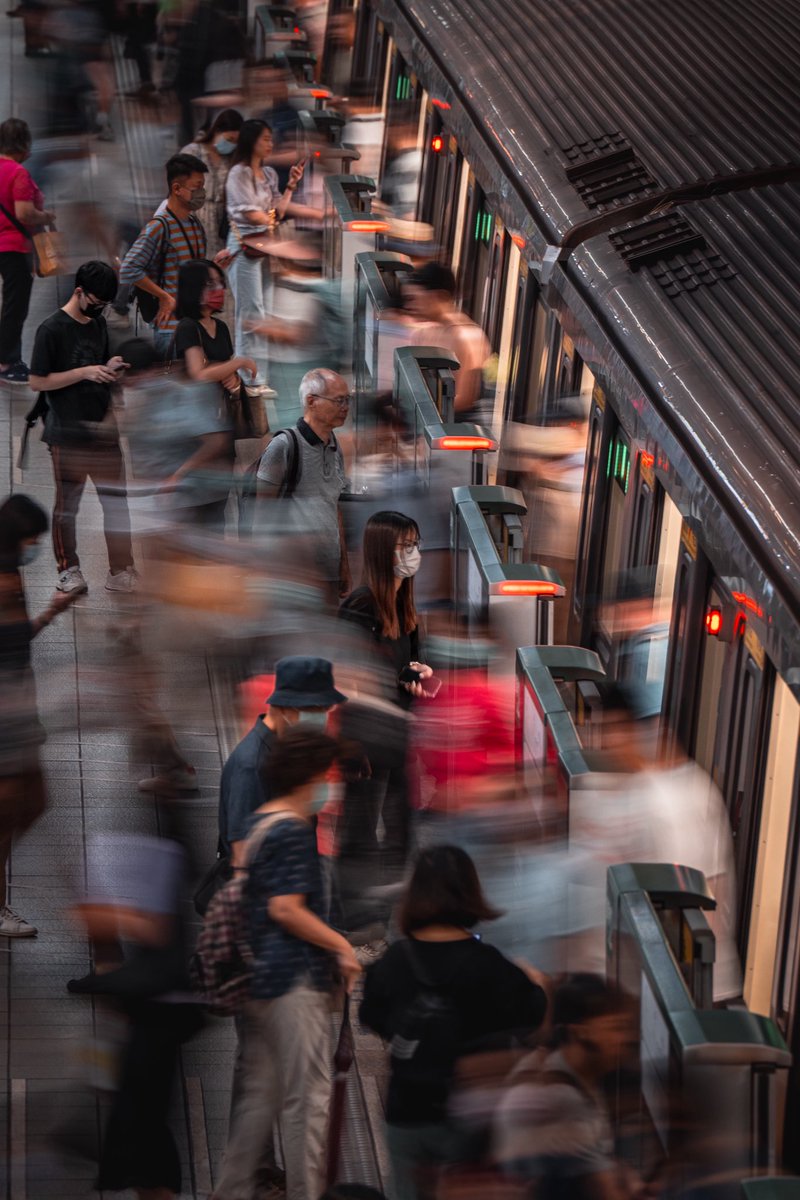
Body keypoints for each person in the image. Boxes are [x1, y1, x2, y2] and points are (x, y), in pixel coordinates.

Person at [211, 728, 362, 1200]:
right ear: (309, 777)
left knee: (260, 1097)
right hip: (293, 982)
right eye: (329, 775)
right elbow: (286, 908)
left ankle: (231, 1189)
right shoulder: (295, 830)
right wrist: (341, 946)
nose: (332, 786)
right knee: (308, 1100)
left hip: (259, 982)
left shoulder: (259, 823)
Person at [360, 845, 547, 1200]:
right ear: (471, 892)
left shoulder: (395, 960)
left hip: (406, 1108)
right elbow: (532, 1015)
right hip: (468, 1113)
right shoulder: (491, 965)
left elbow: (372, 1016)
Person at [29, 260, 137, 596]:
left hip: (103, 429)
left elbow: (99, 363)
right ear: (79, 292)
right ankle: (68, 569)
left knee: (116, 504)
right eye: (97, 302)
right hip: (67, 432)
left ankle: (120, 570)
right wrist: (85, 372)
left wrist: (109, 367)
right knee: (68, 506)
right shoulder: (51, 329)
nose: (101, 309)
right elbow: (37, 381)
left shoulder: (98, 322)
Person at [0, 494, 79, 937]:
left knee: (33, 803)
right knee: (10, 812)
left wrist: (49, 612)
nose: (36, 548)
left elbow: (15, 643)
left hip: (18, 715)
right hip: (5, 719)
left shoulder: (10, 577)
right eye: (32, 539)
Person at [338, 511, 433, 876]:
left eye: (415, 544)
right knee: (361, 829)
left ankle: (388, 902)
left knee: (400, 827)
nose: (413, 554)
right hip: (368, 738)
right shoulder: (362, 606)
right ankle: (356, 918)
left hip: (397, 736)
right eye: (404, 546)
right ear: (382, 552)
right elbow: (349, 673)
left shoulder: (404, 607)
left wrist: (418, 674)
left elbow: (405, 661)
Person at [493, 974, 637, 1199]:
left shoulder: (557, 1066)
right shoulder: (563, 1101)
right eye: (616, 1027)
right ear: (581, 1032)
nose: (627, 1038)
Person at [218, 655, 347, 868]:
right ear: (285, 708)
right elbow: (243, 852)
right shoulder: (251, 766)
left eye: (325, 709)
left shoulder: (285, 745)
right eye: (314, 709)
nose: (322, 717)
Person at [224, 118, 316, 390]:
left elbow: (279, 212)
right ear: (251, 141)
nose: (270, 144)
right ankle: (249, 377)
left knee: (262, 310)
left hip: (265, 246)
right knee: (249, 312)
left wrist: (291, 187)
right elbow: (254, 216)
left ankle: (257, 376)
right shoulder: (238, 174)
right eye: (265, 138)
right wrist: (277, 220)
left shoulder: (270, 175)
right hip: (244, 246)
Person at [256, 367, 352, 601]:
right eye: (339, 400)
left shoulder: (335, 445)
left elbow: (334, 506)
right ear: (312, 401)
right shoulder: (284, 446)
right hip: (293, 571)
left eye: (348, 400)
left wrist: (343, 561)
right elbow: (261, 513)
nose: (345, 407)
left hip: (328, 566)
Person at [119, 153, 210, 358]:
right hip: (171, 329)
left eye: (202, 187)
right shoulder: (159, 227)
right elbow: (128, 269)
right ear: (177, 189)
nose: (202, 193)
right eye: (197, 188)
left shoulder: (195, 225)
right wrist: (164, 297)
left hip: (195, 325)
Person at [0, 118, 55, 385]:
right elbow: (24, 213)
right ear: (24, 145)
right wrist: (45, 216)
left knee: (10, 305)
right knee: (15, 306)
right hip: (13, 247)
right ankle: (7, 362)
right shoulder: (18, 173)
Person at [404, 263, 491, 422]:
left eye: (414, 299)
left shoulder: (468, 337)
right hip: (428, 418)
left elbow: (465, 398)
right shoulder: (423, 332)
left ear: (438, 296)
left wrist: (416, 410)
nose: (409, 306)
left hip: (457, 426)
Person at [179, 109, 244, 257]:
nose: (231, 144)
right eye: (229, 139)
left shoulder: (230, 160)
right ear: (217, 131)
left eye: (235, 142)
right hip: (194, 216)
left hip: (220, 220)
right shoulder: (193, 151)